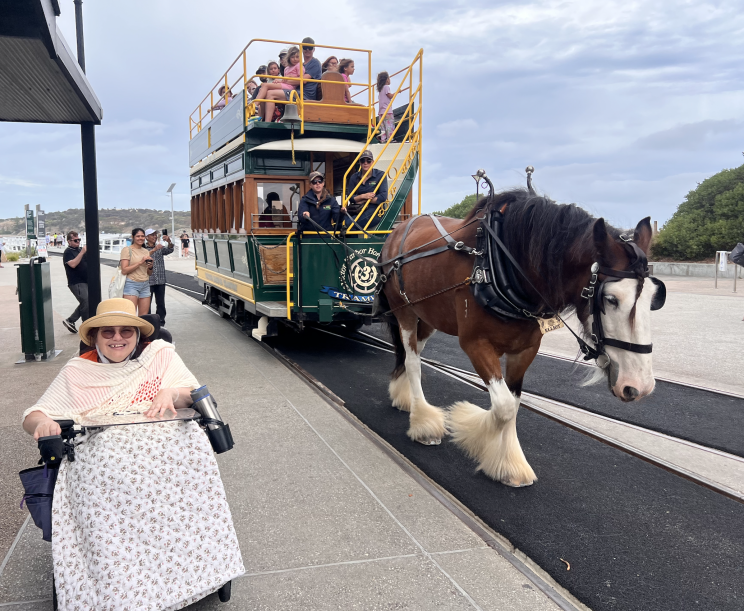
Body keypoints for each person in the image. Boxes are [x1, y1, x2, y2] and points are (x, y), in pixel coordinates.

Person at [21, 298, 245, 610]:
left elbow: (193, 395)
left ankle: (195, 570)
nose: (118, 338)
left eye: (126, 331)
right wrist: (43, 423)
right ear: (95, 337)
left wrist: (172, 392)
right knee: (108, 473)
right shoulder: (77, 371)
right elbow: (33, 414)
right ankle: (121, 585)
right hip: (106, 455)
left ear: (138, 335)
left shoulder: (160, 356)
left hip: (167, 452)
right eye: (108, 332)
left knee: (195, 458)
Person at [346, 149, 388, 229]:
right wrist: (363, 196)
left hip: (375, 209)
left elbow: (382, 197)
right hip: (358, 208)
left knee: (349, 224)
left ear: (372, 162)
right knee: (343, 222)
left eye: (368, 160)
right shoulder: (354, 177)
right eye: (363, 160)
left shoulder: (381, 175)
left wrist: (364, 200)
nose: (365, 163)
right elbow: (350, 197)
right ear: (360, 162)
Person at [120, 228, 153, 314]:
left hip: (145, 284)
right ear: (133, 237)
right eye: (138, 236)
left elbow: (149, 273)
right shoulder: (127, 250)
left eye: (142, 236)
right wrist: (140, 262)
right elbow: (124, 270)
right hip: (131, 284)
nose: (140, 238)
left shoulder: (146, 251)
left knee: (143, 316)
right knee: (130, 314)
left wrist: (150, 267)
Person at [145, 229, 174, 327]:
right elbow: (142, 257)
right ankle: (148, 323)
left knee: (161, 303)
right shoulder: (143, 249)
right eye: (152, 235)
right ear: (146, 237)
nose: (154, 236)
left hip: (160, 279)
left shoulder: (160, 247)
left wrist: (169, 241)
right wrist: (155, 249)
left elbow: (170, 250)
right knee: (147, 303)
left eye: (155, 235)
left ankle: (161, 322)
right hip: (148, 281)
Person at [61, 231, 88, 333]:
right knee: (86, 301)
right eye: (75, 240)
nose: (78, 242)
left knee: (87, 302)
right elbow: (72, 264)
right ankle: (85, 324)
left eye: (79, 240)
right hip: (76, 282)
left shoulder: (80, 250)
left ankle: (71, 320)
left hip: (86, 280)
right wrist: (82, 253)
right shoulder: (68, 252)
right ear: (69, 241)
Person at [377, 71, 394, 143]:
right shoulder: (386, 87)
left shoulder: (380, 89)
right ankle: (390, 139)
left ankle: (383, 139)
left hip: (381, 111)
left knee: (383, 127)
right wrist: (397, 92)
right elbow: (389, 96)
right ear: (387, 79)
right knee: (389, 125)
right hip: (387, 110)